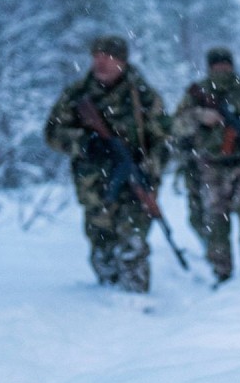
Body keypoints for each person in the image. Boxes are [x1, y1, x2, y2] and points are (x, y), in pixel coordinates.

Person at [44, 35, 170, 293]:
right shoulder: (77, 94)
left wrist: (150, 167)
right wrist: (84, 142)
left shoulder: (143, 96)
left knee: (133, 244)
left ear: (122, 61)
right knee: (101, 245)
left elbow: (164, 140)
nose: (100, 63)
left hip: (135, 183)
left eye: (108, 58)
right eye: (96, 57)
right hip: (94, 185)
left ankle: (135, 301)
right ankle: (106, 300)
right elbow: (52, 133)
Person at [172, 47, 240, 284]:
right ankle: (222, 271)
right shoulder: (197, 94)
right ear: (209, 67)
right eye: (216, 66)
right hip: (211, 166)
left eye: (225, 66)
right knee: (216, 219)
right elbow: (176, 126)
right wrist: (199, 116)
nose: (221, 70)